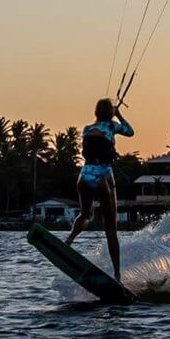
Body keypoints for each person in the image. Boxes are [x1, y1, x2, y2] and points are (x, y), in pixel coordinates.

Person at [65, 98, 134, 281]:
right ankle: (117, 274)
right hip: (103, 177)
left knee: (85, 215)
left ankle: (69, 240)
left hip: (85, 175)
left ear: (96, 112)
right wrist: (118, 114)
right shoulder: (112, 127)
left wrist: (111, 114)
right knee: (110, 228)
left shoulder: (87, 129)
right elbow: (130, 131)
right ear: (110, 113)